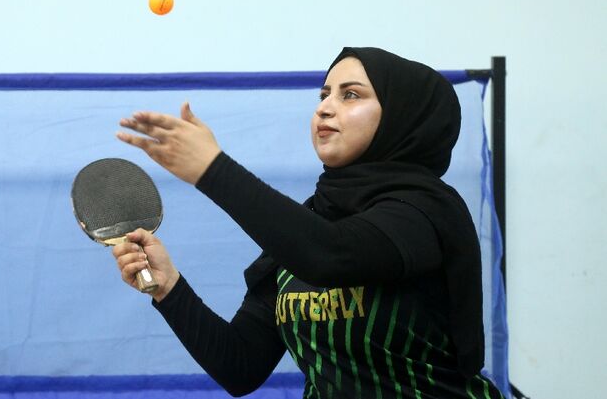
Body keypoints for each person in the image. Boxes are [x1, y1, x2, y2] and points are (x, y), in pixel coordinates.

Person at [113, 47, 505, 398]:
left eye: (350, 95)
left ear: (402, 114)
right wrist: (169, 289)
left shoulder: (425, 212)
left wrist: (211, 170)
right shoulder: (309, 223)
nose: (325, 107)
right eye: (324, 94)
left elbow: (331, 255)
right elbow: (240, 366)